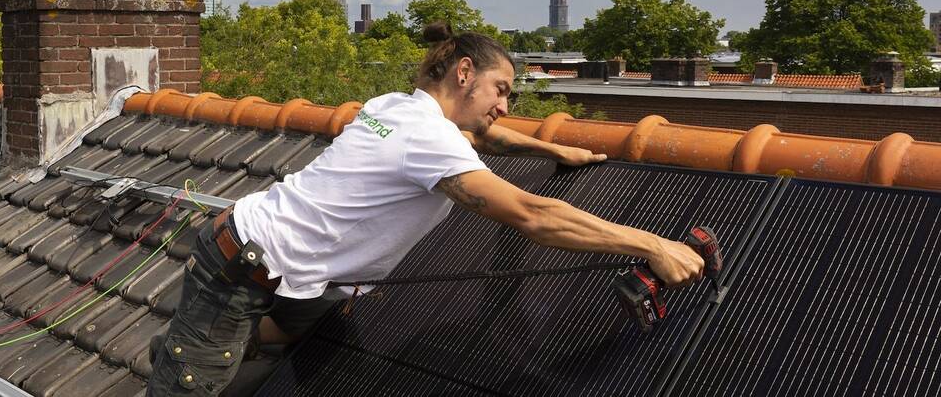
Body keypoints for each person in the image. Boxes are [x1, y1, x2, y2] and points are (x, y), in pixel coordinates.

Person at [147, 22, 705, 395]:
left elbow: (485, 138)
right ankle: (187, 357)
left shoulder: (396, 106)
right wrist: (652, 243)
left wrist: (549, 145)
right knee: (190, 387)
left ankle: (196, 342)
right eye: (501, 90)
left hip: (294, 276)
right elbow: (530, 214)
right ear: (465, 74)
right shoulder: (427, 139)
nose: (506, 105)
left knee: (301, 339)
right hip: (243, 269)